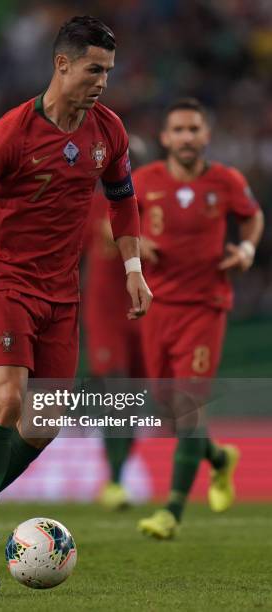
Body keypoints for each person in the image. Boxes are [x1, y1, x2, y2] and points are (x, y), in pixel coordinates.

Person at [0, 16, 152, 594]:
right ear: (62, 64)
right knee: (4, 400)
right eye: (94, 69)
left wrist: (132, 269)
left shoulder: (109, 131)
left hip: (61, 293)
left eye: (109, 71)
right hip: (6, 282)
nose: (102, 81)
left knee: (46, 421)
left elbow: (123, 202)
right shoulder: (10, 132)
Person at [135, 98, 264, 539]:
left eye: (194, 129)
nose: (187, 137)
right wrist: (134, 244)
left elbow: (253, 218)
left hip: (206, 307)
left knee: (189, 405)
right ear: (165, 138)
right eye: (179, 130)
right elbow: (114, 228)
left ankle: (170, 511)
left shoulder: (226, 181)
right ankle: (220, 458)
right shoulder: (143, 182)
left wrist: (246, 250)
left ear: (206, 135)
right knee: (166, 408)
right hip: (157, 307)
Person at [82, 137, 148, 510]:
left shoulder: (153, 205)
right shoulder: (92, 206)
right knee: (115, 389)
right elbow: (83, 250)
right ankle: (115, 479)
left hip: (144, 311)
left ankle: (120, 474)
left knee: (135, 396)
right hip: (105, 312)